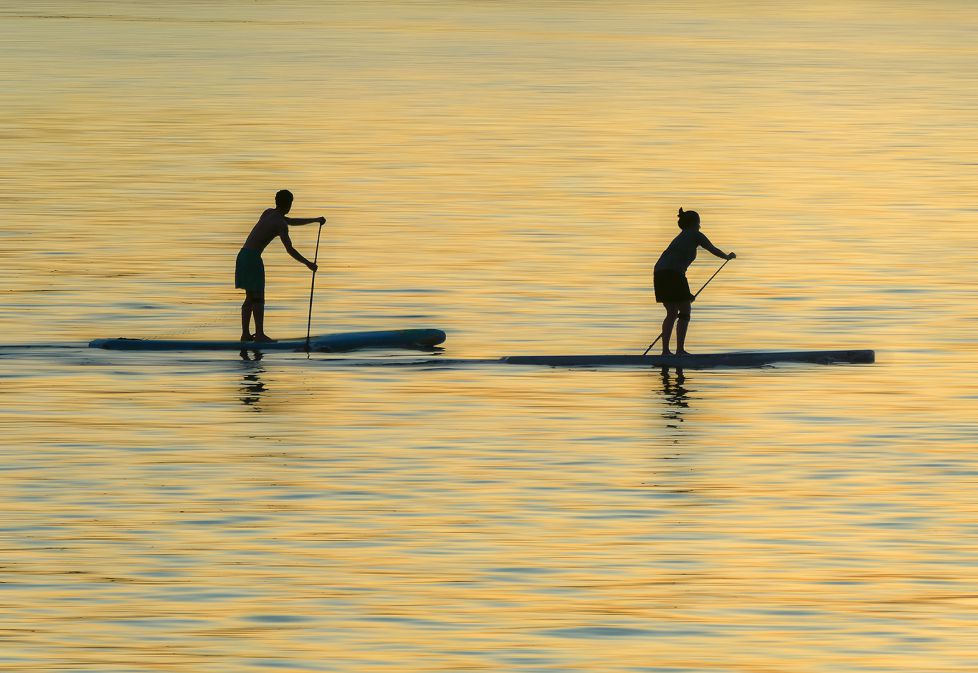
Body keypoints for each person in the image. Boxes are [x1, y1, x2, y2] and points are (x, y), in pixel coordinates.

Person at [235, 190, 325, 342]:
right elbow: (290, 249)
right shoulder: (280, 224)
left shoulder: (268, 213)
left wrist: (315, 220)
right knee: (258, 298)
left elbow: (289, 221)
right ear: (289, 204)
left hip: (243, 255)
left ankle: (245, 334)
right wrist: (308, 264)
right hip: (253, 258)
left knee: (250, 297)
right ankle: (260, 334)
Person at [653, 208, 735, 356]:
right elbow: (712, 249)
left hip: (660, 272)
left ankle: (665, 351)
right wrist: (727, 257)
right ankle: (679, 351)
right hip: (672, 274)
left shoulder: (682, 236)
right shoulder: (695, 234)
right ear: (694, 223)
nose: (700, 226)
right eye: (699, 223)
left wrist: (686, 294)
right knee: (685, 310)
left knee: (672, 312)